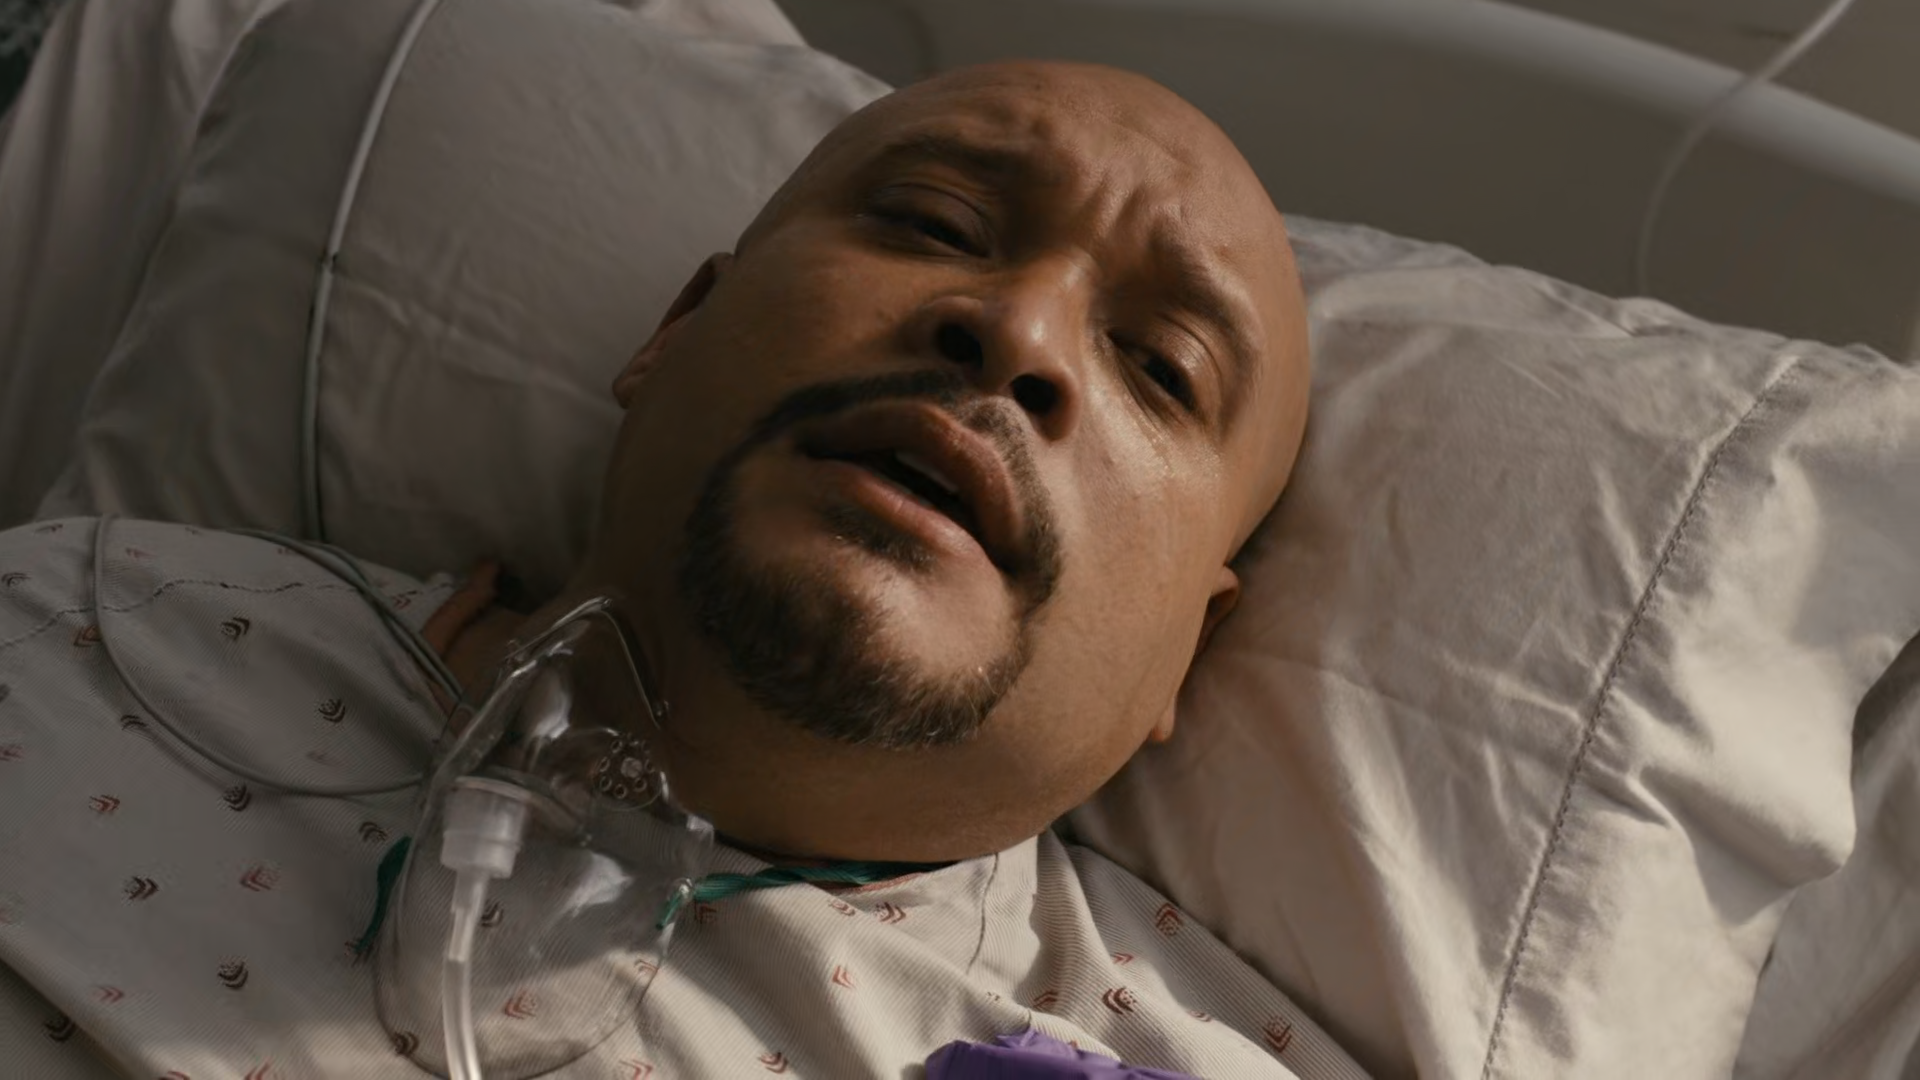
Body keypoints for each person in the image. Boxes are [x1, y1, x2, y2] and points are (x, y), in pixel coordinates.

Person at [0, 61, 1355, 1079]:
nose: (1019, 332)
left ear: (1187, 648)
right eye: (936, 221)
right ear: (675, 332)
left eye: (1162, 366)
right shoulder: (65, 632)